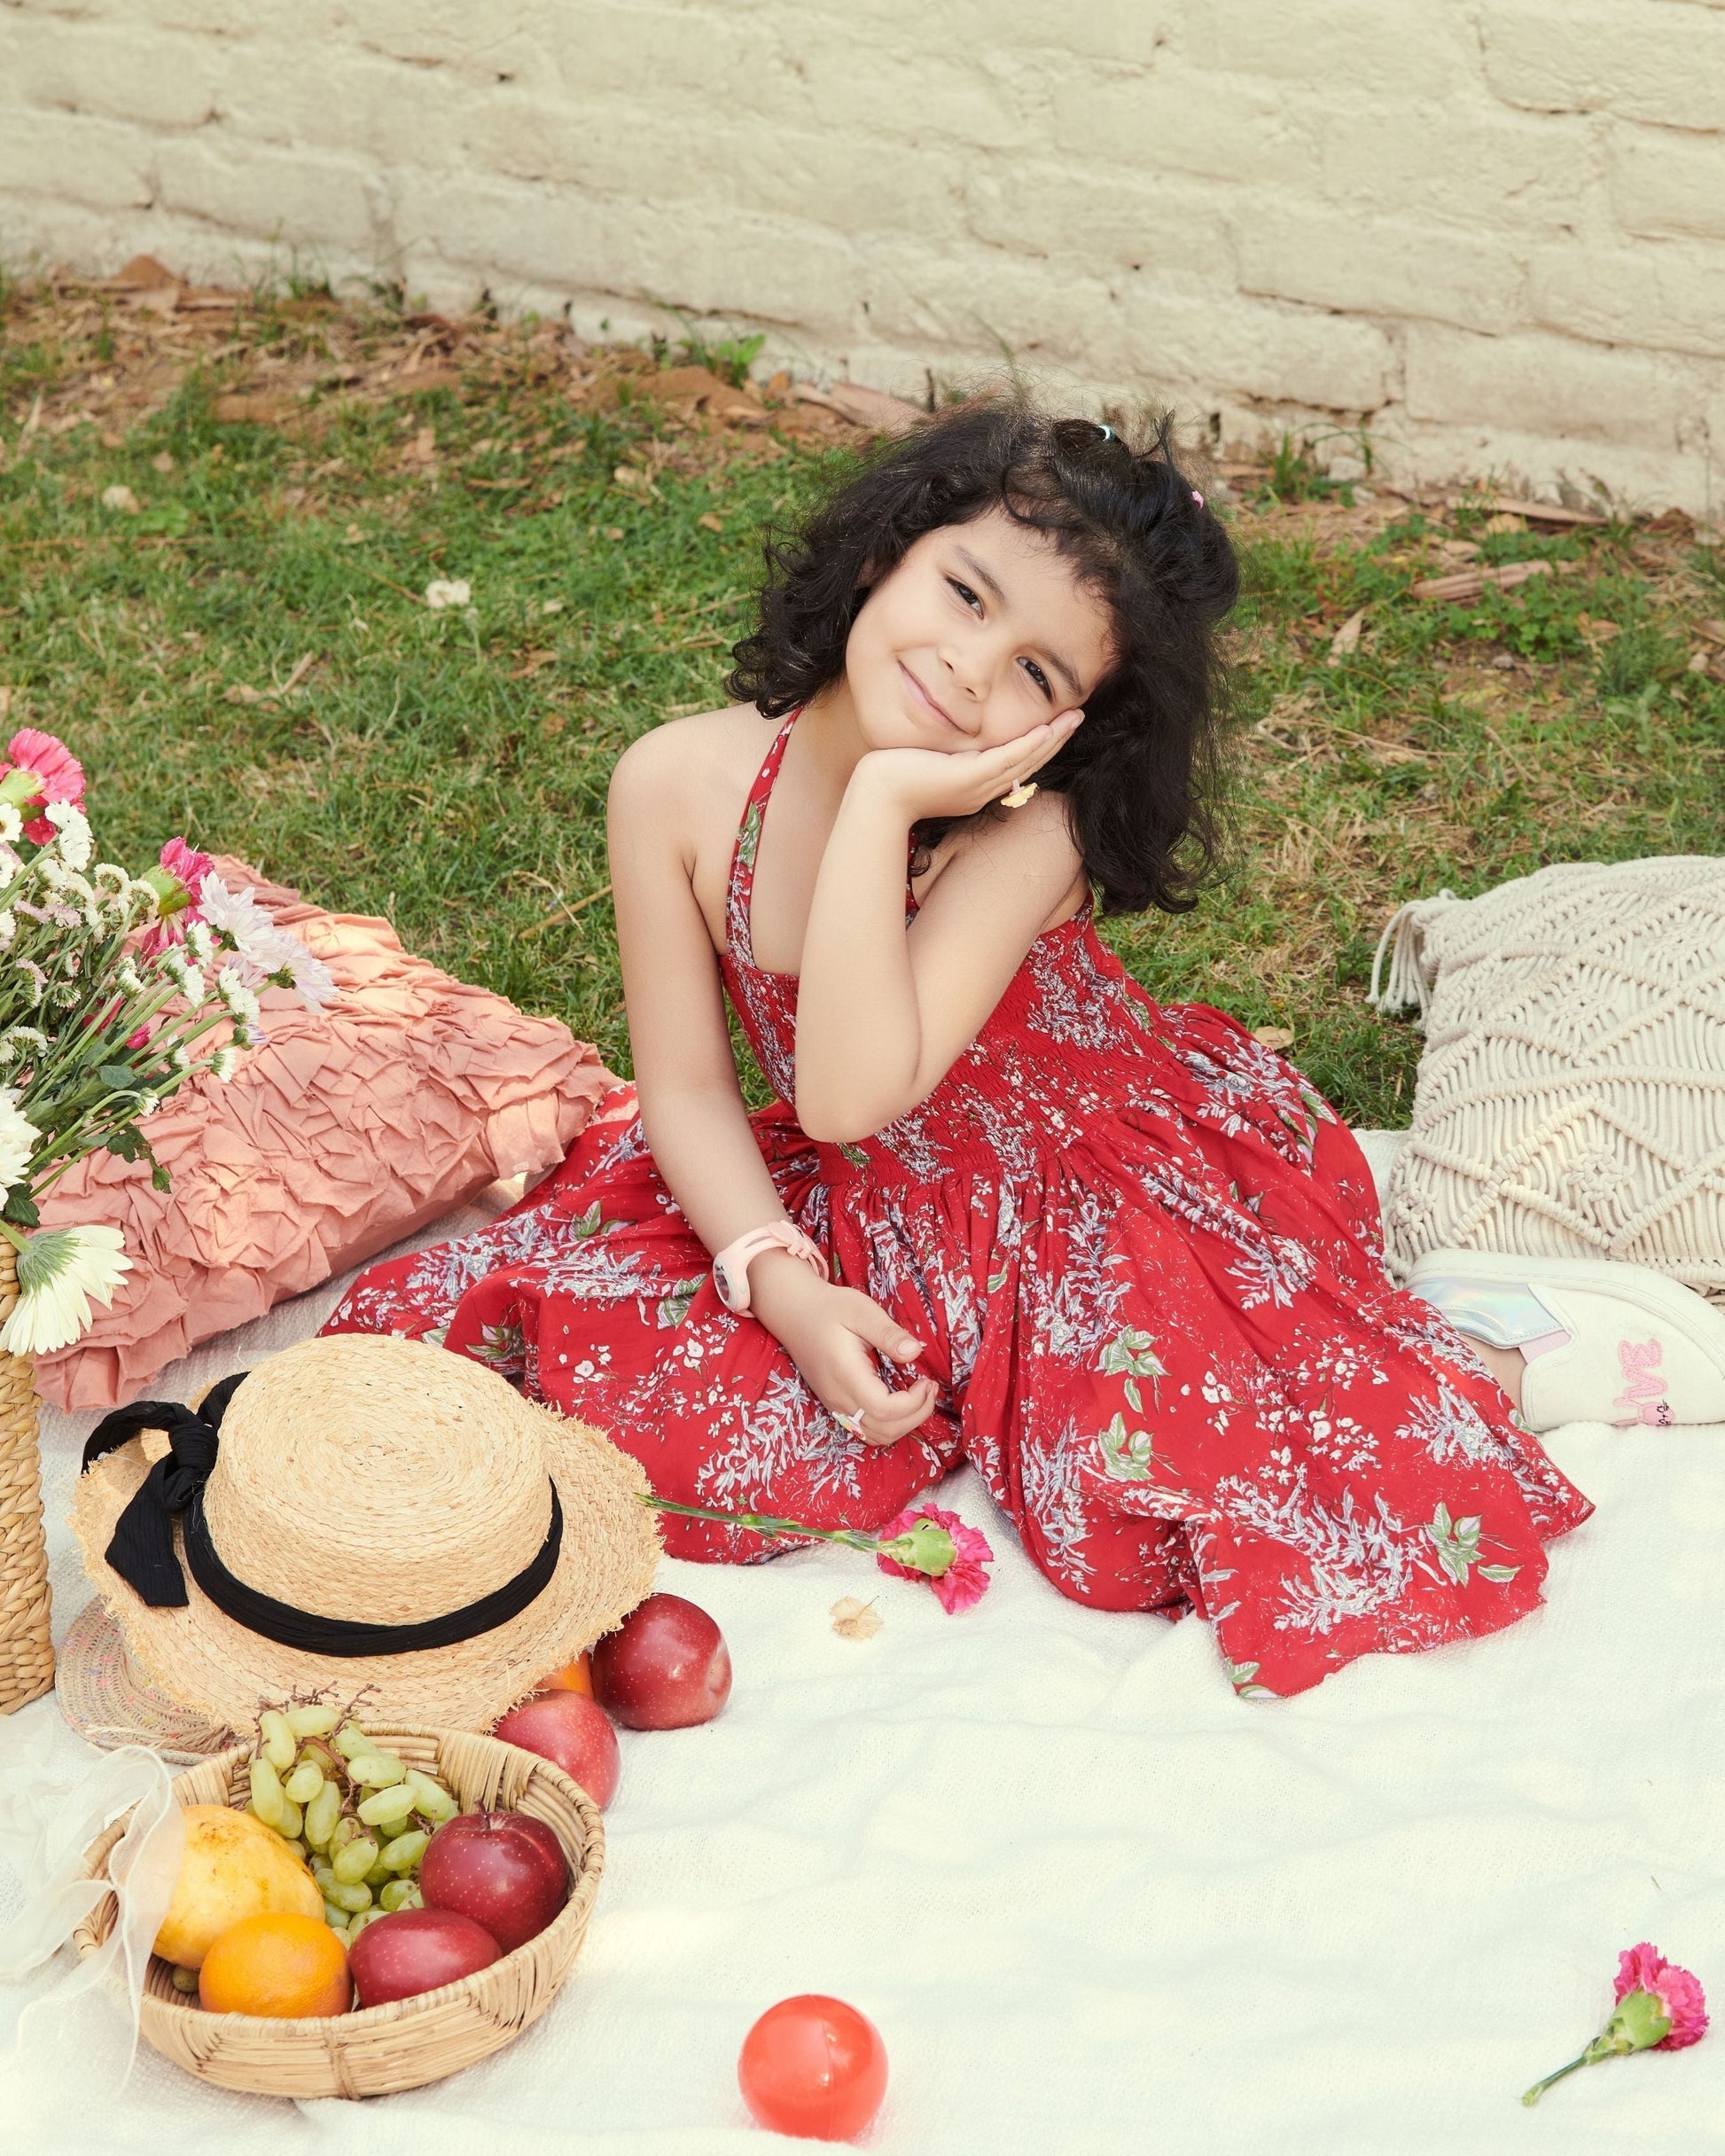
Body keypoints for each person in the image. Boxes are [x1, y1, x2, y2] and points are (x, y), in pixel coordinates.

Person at [324, 403, 1724, 1699]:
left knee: (1169, 1476)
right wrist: (780, 1285)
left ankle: (1506, 1353)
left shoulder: (1028, 834)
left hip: (1073, 1191)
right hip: (868, 1196)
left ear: (1071, 728)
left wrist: (883, 806)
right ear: (883, 551)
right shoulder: (675, 783)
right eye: (963, 594)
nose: (965, 669)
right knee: (639, 1395)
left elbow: (850, 1088)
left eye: (1034, 672)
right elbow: (689, 1088)